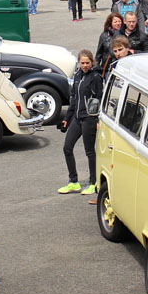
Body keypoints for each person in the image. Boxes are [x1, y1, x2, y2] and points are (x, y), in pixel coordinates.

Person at [57, 50, 103, 196]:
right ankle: (73, 182)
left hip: (89, 118)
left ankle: (93, 182)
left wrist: (97, 118)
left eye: (87, 63)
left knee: (89, 151)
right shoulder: (77, 75)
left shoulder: (95, 77)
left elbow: (100, 98)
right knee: (67, 148)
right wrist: (67, 118)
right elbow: (74, 99)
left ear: (92, 62)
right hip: (77, 118)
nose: (84, 66)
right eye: (82, 63)